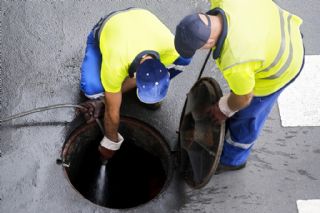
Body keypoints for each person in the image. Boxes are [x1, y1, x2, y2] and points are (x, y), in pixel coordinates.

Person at [174, 0, 304, 173]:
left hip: (284, 63)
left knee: (247, 116)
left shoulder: (235, 60)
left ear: (210, 40)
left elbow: (244, 98)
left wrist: (224, 109)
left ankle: (233, 159)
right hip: (283, 31)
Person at [79, 8, 190, 162]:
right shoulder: (115, 65)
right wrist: (110, 143)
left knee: (182, 61)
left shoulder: (171, 48)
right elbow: (112, 111)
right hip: (109, 26)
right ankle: (114, 91)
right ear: (135, 76)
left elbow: (183, 56)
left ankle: (148, 90)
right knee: (92, 90)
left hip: (140, 18)